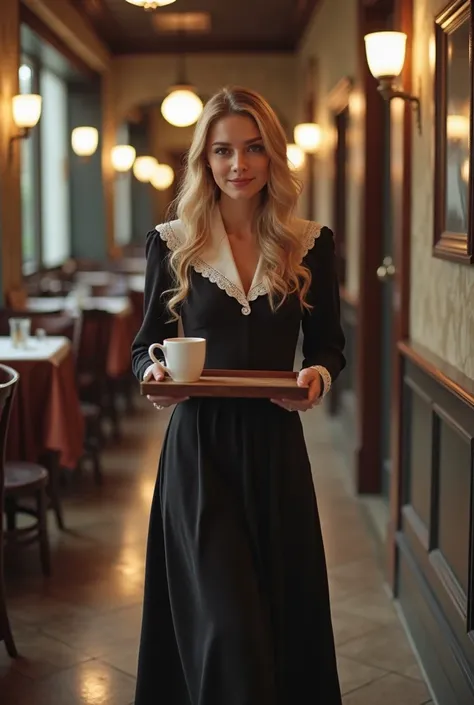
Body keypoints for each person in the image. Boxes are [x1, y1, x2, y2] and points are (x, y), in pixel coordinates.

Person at [131, 85, 346, 705]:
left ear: (273, 156)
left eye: (253, 149)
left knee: (278, 616)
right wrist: (152, 374)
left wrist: (318, 379)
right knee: (226, 624)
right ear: (204, 161)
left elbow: (329, 346)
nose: (238, 164)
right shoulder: (171, 243)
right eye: (223, 151)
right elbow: (146, 342)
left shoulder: (310, 242)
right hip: (199, 455)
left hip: (278, 447)